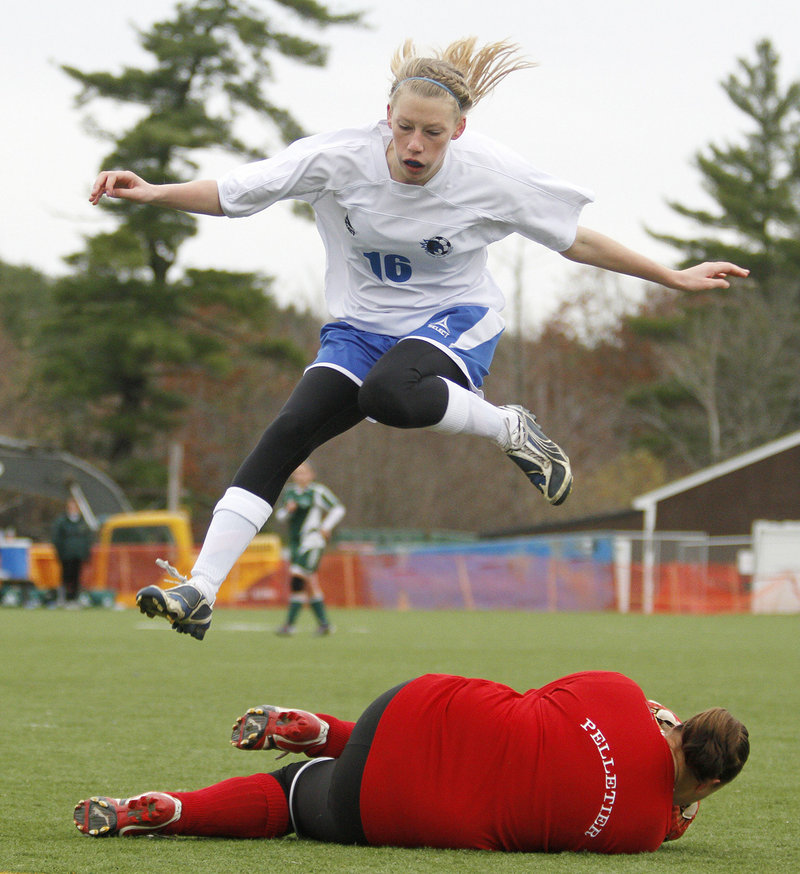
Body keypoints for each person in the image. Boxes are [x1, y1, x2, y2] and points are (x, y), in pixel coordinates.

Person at [89, 38, 750, 640]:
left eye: (432, 133)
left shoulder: (492, 175)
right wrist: (151, 193)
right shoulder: (337, 158)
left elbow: (576, 239)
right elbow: (234, 193)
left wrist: (670, 274)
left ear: (457, 131)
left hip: (455, 320)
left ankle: (508, 427)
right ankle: (202, 590)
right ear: (387, 118)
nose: (414, 145)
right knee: (286, 434)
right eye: (404, 128)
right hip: (357, 328)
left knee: (389, 393)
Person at [73, 669, 749, 853]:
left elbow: (553, 699)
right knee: (288, 802)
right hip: (404, 806)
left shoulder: (619, 691)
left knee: (487, 726)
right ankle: (176, 810)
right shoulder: (643, 834)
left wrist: (646, 720)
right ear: (711, 782)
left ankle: (319, 730)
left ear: (680, 722)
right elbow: (669, 815)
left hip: (413, 709)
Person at [274, 461, 345, 636]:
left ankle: (289, 625)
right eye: (297, 473)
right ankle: (324, 624)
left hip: (312, 542)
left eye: (304, 472)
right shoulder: (290, 493)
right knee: (309, 582)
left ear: (312, 474)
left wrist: (326, 526)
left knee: (298, 577)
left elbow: (338, 508)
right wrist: (289, 510)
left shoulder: (317, 491)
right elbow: (280, 516)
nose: (300, 476)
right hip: (296, 543)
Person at [51, 498, 93, 606]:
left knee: (76, 576)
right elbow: (56, 538)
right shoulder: (62, 521)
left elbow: (88, 538)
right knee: (65, 576)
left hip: (78, 555)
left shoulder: (83, 522)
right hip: (66, 555)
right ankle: (63, 598)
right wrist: (60, 552)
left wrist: (85, 553)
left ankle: (74, 598)